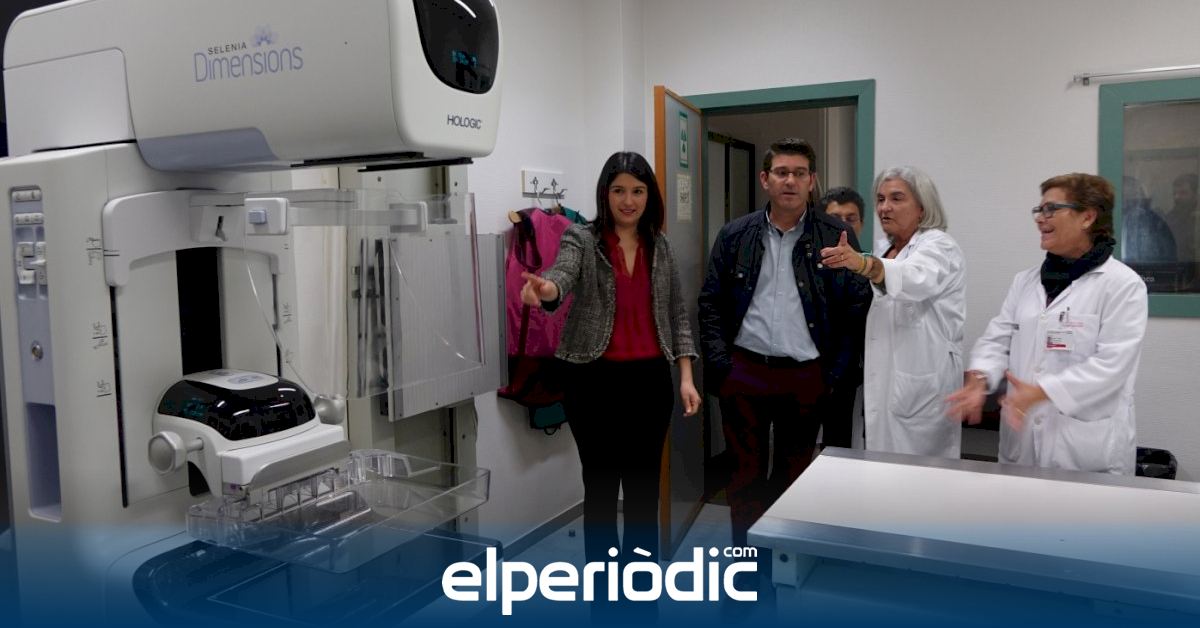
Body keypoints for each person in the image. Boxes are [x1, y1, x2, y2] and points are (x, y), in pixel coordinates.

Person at [520, 151, 700, 568]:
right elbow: (563, 274)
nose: (628, 201)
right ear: (605, 193)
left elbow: (676, 313)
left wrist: (686, 376)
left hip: (650, 382)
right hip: (592, 381)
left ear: (649, 196)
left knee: (642, 492)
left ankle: (640, 587)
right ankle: (603, 591)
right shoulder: (581, 238)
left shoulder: (661, 245)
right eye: (619, 190)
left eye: (637, 191)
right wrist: (546, 290)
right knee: (600, 490)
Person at [697, 138, 871, 560]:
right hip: (745, 372)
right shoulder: (735, 235)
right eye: (781, 172)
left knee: (793, 476)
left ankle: (783, 564)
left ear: (812, 181)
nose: (790, 181)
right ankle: (747, 568)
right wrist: (722, 364)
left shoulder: (835, 236)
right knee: (745, 477)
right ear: (765, 179)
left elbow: (855, 308)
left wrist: (833, 374)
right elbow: (710, 303)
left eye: (799, 173)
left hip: (806, 375)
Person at [947, 173, 1147, 474]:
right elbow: (997, 340)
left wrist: (1042, 392)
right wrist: (979, 379)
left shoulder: (1123, 285)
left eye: (1051, 209)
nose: (1040, 218)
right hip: (1022, 441)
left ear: (1087, 217)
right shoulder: (1025, 282)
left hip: (1084, 451)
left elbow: (1112, 366)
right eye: (1039, 210)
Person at [821, 166, 966, 458]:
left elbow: (915, 278)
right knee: (879, 470)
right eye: (880, 199)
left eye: (896, 198)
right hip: (883, 384)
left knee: (919, 477)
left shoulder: (940, 246)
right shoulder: (883, 249)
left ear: (922, 207)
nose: (885, 207)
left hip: (921, 390)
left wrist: (864, 264)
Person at [816, 186, 868, 448]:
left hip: (847, 374)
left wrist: (839, 371)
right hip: (808, 369)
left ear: (861, 224)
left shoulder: (872, 267)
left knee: (840, 445)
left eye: (851, 219)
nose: (844, 226)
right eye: (836, 218)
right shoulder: (807, 263)